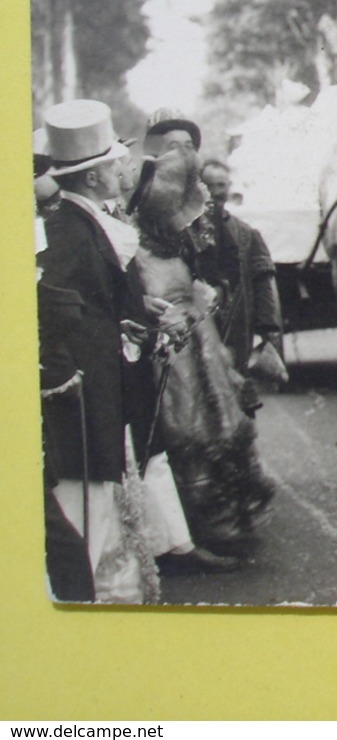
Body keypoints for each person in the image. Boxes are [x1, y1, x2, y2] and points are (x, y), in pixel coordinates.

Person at [36, 100, 159, 602]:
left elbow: (92, 302)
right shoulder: (68, 231)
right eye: (113, 162)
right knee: (87, 518)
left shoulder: (81, 222)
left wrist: (132, 316)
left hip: (97, 391)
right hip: (81, 399)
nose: (121, 170)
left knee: (100, 513)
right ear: (90, 177)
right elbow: (61, 317)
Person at [129, 147, 276, 553]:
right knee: (188, 432)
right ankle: (205, 522)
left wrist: (202, 298)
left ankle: (234, 513)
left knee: (222, 426)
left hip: (200, 345)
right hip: (171, 355)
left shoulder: (177, 248)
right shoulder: (135, 254)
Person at [196, 159, 289, 414]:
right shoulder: (187, 232)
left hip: (238, 335)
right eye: (210, 185)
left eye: (222, 184)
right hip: (201, 334)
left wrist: (269, 333)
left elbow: (264, 286)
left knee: (238, 410)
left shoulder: (247, 234)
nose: (217, 191)